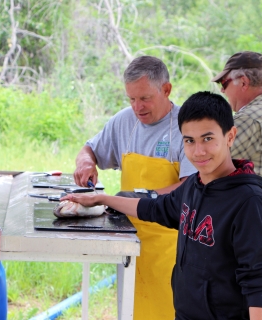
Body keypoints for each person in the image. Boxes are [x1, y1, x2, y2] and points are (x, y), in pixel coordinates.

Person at [64, 91, 262, 320]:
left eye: (208, 139)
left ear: (230, 136)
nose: (198, 151)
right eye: (189, 141)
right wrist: (102, 199)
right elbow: (154, 208)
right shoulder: (193, 186)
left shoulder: (249, 202)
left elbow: (257, 280)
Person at [73, 55, 197, 319]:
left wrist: (138, 198)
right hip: (128, 239)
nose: (137, 107)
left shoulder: (188, 126)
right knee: (131, 309)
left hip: (171, 244)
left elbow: (192, 186)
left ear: (166, 90)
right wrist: (85, 163)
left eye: (145, 98)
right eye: (131, 99)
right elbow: (90, 149)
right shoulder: (123, 121)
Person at [211, 51, 262, 294]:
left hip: (254, 229)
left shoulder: (251, 118)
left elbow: (212, 162)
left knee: (238, 305)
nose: (223, 91)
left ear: (243, 82)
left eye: (224, 84)